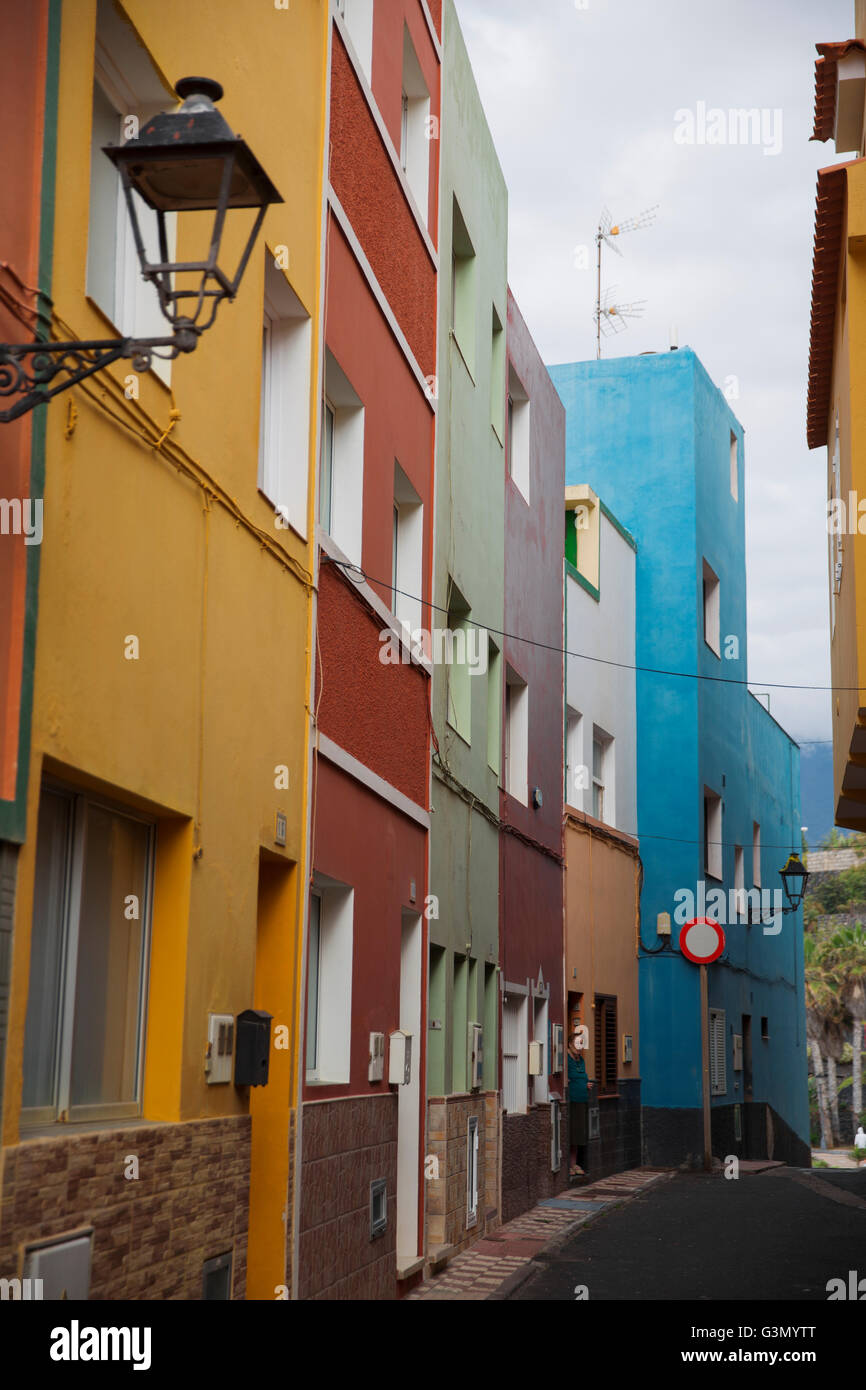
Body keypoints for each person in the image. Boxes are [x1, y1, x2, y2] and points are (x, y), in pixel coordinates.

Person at [568, 1030, 589, 1177]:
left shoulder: (581, 1060)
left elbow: (582, 1077)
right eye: (577, 1043)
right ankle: (569, 1166)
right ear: (570, 1044)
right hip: (572, 1101)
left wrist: (585, 1085)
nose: (579, 1046)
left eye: (581, 1043)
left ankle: (574, 1164)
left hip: (582, 1100)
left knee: (578, 1135)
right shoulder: (567, 1060)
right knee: (570, 1134)